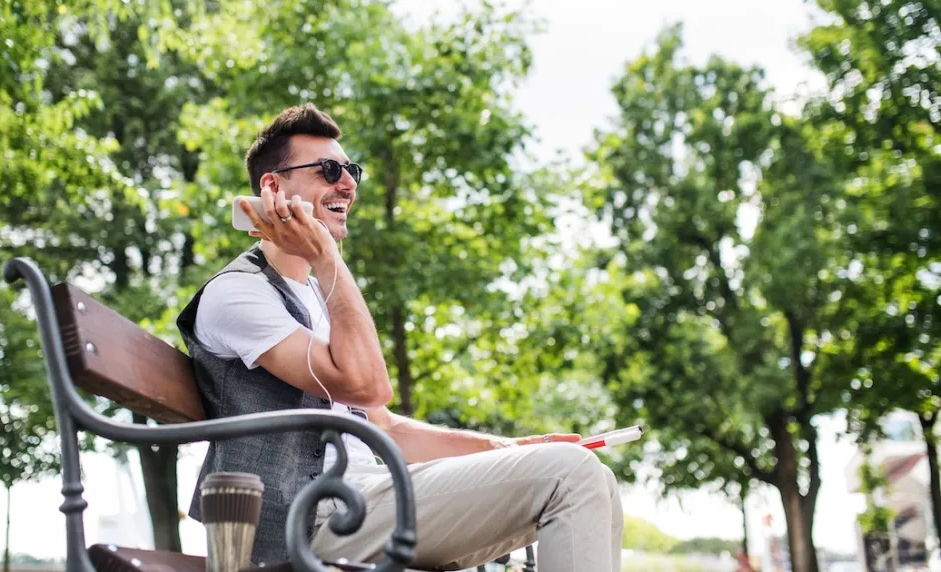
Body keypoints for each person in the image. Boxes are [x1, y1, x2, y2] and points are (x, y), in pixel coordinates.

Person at [177, 104, 624, 572]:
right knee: (570, 475)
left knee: (593, 477)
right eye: (329, 170)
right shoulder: (238, 293)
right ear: (273, 186)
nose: (347, 183)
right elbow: (370, 386)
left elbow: (385, 426)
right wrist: (329, 259)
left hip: (363, 498)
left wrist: (507, 449)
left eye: (351, 170)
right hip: (307, 521)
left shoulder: (316, 295)